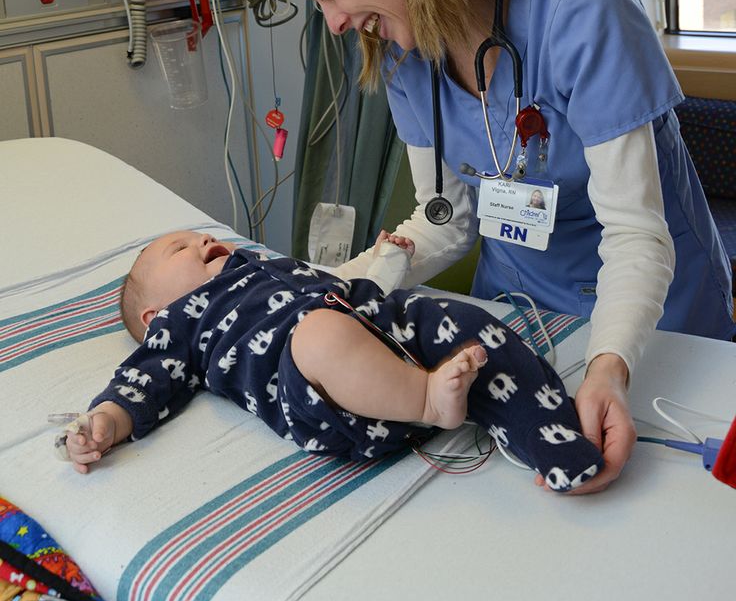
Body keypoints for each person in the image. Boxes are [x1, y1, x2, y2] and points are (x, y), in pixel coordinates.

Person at [260, 0, 734, 496]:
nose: (333, 21)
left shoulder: (584, 8)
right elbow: (445, 218)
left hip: (648, 318)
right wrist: (337, 285)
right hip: (514, 311)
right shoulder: (402, 50)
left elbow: (634, 232)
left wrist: (609, 367)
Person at [61, 229, 603, 493]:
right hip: (323, 396)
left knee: (457, 320)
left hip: (384, 330)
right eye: (178, 250)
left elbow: (343, 285)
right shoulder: (182, 328)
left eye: (194, 234)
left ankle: (553, 437)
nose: (200, 238)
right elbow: (139, 383)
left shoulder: (265, 266)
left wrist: (387, 258)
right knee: (318, 335)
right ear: (157, 315)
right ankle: (427, 401)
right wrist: (105, 422)